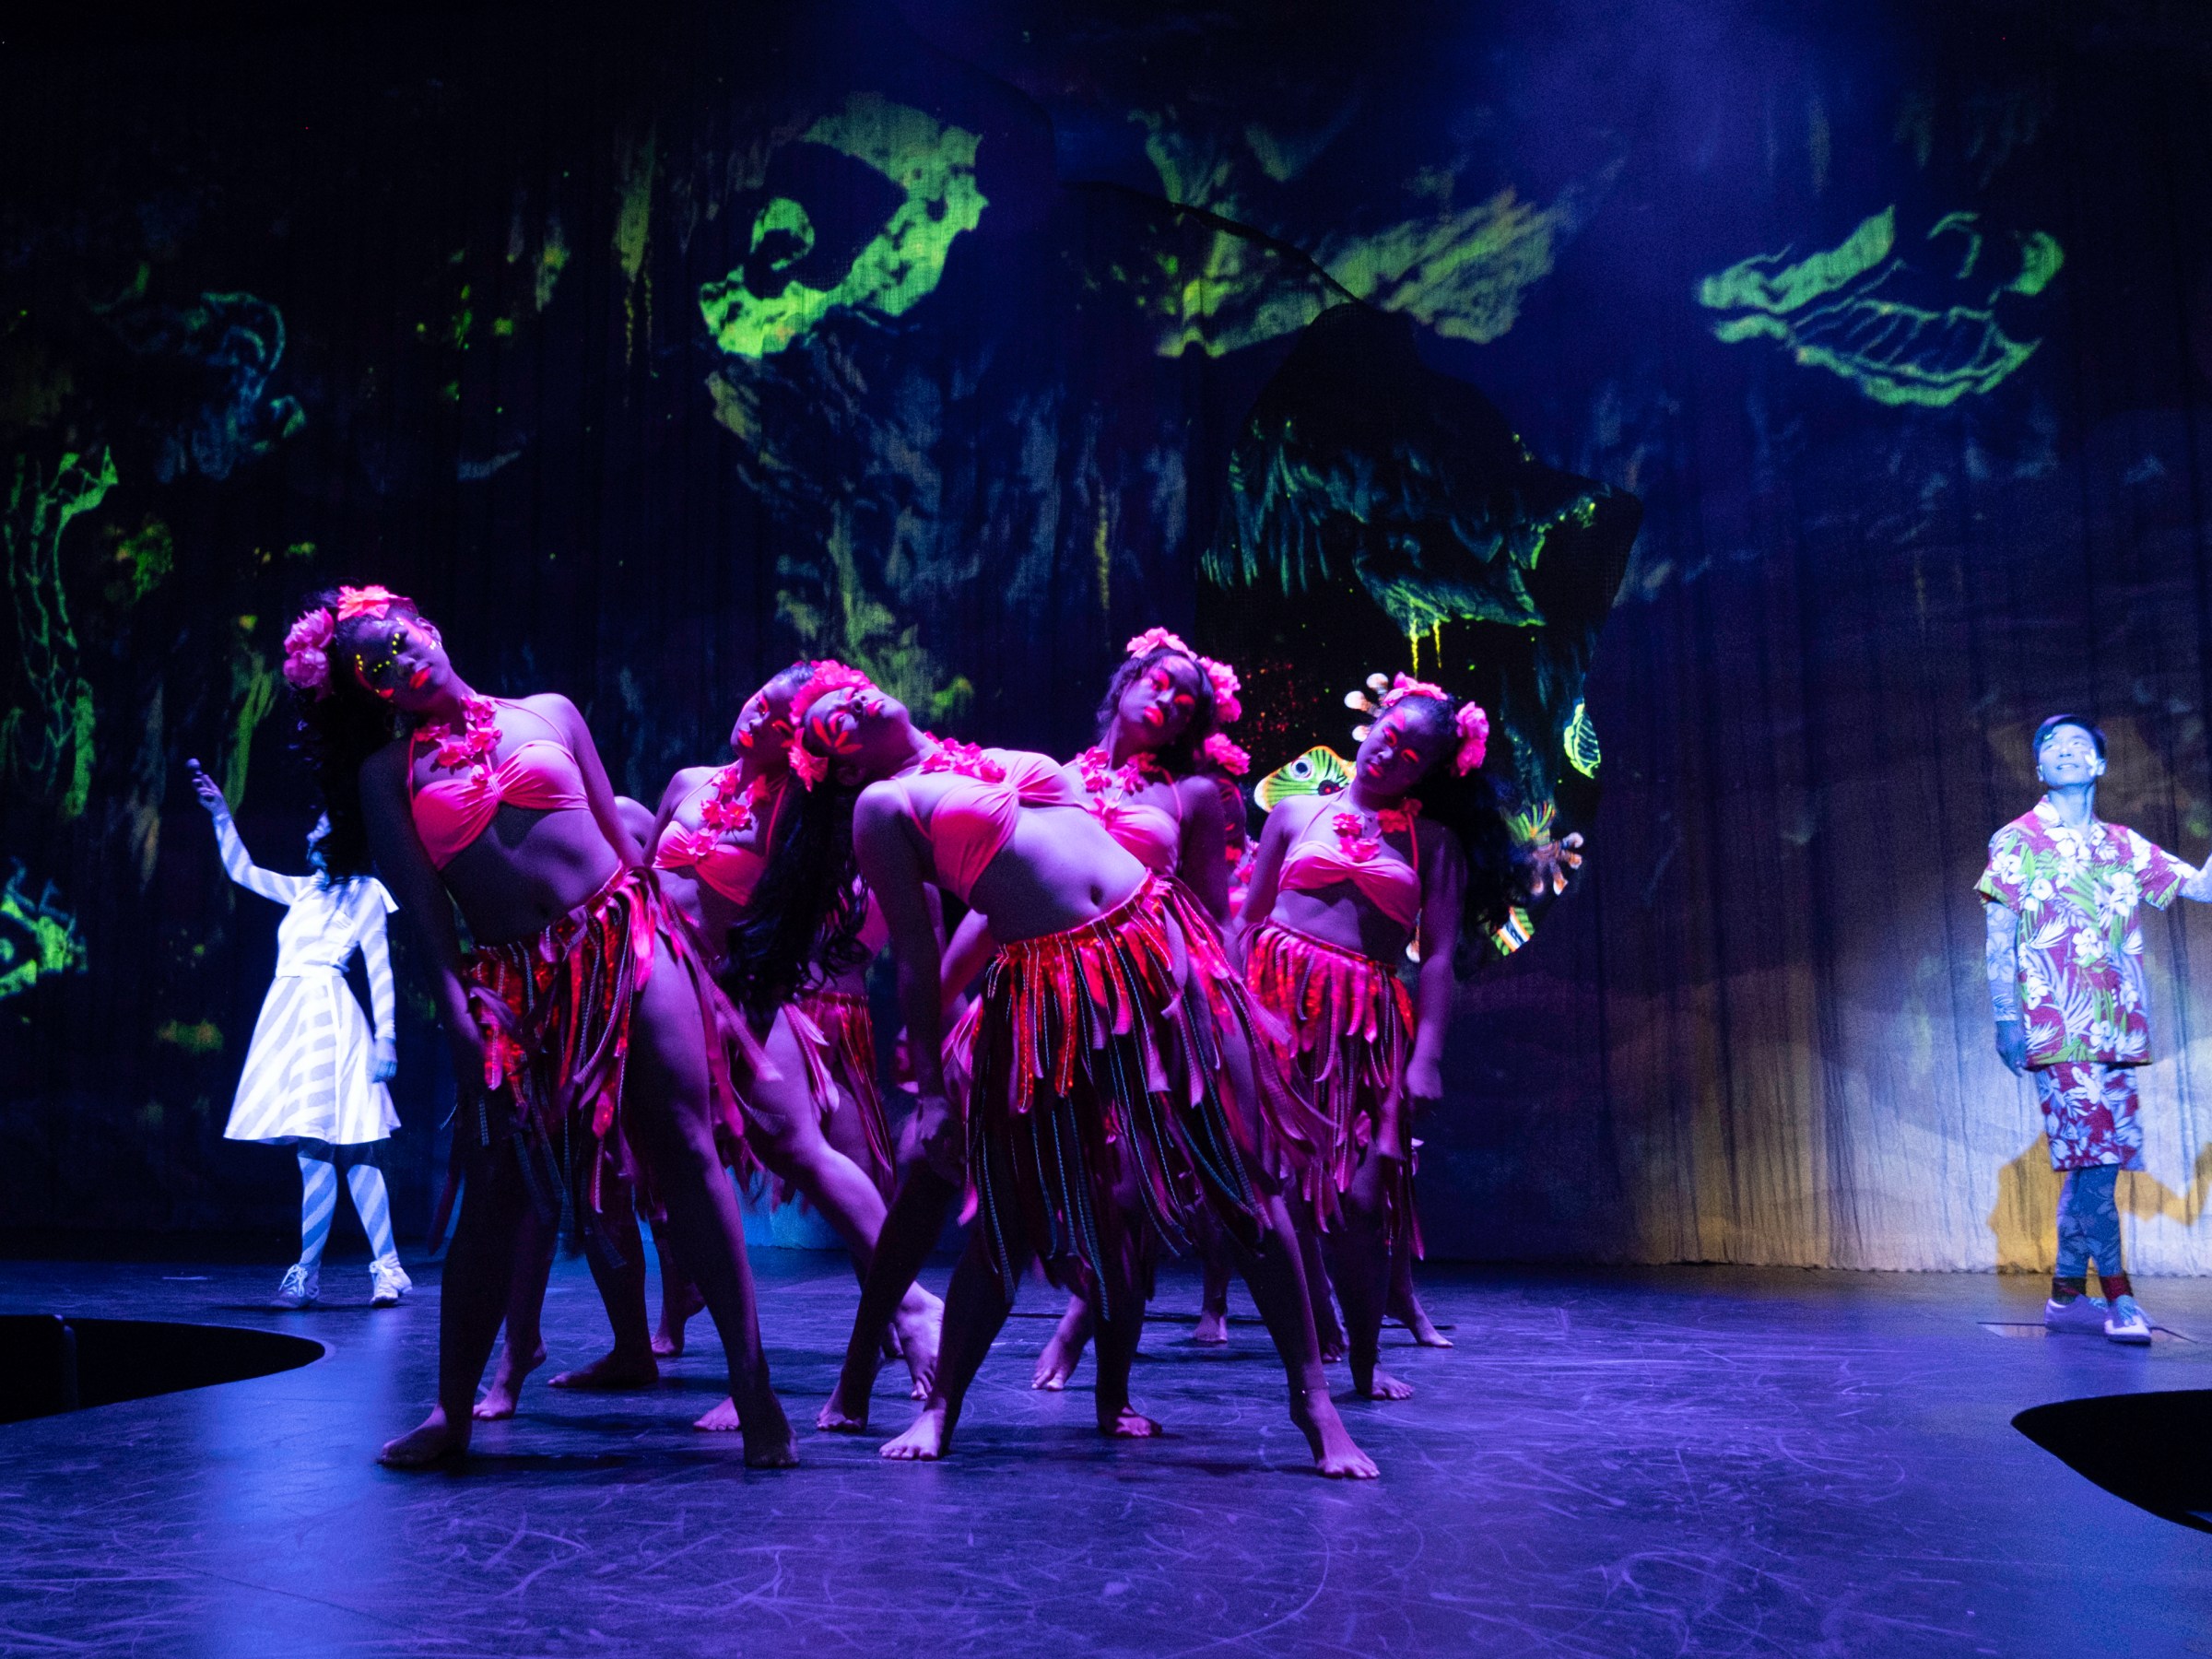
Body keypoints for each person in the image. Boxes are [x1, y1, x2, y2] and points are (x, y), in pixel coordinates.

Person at [730, 673, 1374, 1477]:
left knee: (1245, 1181)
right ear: (847, 766)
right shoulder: (883, 807)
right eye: (837, 719)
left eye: (851, 693)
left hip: (1157, 940)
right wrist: (931, 1088)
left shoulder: (975, 757)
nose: (854, 702)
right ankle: (940, 1406)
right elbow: (920, 960)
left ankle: (1313, 1404)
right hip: (1050, 986)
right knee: (1008, 1215)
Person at [282, 583, 794, 1467]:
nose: (398, 662)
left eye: (399, 640)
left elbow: (624, 847)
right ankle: (451, 1414)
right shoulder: (389, 775)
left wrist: (685, 952)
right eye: (375, 667)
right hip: (514, 986)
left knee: (685, 1148)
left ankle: (756, 1396)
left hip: (623, 944)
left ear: (428, 628)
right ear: (372, 694)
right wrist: (459, 1018)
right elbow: (427, 919)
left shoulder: (548, 712)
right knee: (496, 1188)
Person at [937, 629, 1317, 1384]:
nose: (1168, 701)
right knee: (1041, 1186)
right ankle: (956, 1388)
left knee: (1165, 1182)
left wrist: (1229, 1017)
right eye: (1159, 682)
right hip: (1051, 992)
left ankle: (1128, 1375)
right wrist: (946, 996)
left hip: (1152, 995)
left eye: (1186, 702)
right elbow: (996, 899)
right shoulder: (1051, 779)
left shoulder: (1194, 795)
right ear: (1126, 683)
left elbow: (1212, 912)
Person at [1235, 672, 1573, 1400]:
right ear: (1374, 727)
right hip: (1273, 1008)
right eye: (1388, 736)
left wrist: (1428, 1057)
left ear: (1429, 773)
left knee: (1361, 1203)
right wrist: (1223, 1008)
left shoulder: (1434, 845)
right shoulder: (1295, 814)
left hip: (1364, 1023)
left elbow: (1441, 958)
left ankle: (1364, 1359)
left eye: (1411, 755)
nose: (1389, 754)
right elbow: (1250, 918)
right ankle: (1312, 1341)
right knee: (1278, 1189)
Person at [647, 663, 941, 1427]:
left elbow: (799, 922)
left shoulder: (798, 813)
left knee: (807, 1151)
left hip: (745, 997)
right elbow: (643, 887)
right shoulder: (688, 784)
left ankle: (905, 1312)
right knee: (676, 1173)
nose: (756, 718)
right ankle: (698, 1338)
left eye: (779, 721)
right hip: (663, 992)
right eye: (760, 698)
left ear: (801, 744)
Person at [1978, 713, 2212, 1344]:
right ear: (2039, 768)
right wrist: (2007, 1019)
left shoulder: (2123, 844)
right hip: (2056, 1027)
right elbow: (1999, 938)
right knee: (2100, 1165)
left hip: (2118, 1032)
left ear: (2100, 765)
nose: (2067, 750)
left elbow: (2200, 888)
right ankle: (2120, 1298)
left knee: (2093, 1169)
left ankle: (2063, 1296)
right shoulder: (2018, 839)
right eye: (2052, 745)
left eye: (2080, 743)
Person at [190, 759, 407, 1310]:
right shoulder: (306, 891)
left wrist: (386, 1037)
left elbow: (379, 967)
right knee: (322, 1151)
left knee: (352, 1148)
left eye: (321, 826)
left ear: (341, 838)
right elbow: (243, 871)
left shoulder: (363, 892)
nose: (310, 833)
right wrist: (220, 815)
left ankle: (362, 1270)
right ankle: (335, 1271)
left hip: (329, 1017)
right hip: (292, 1016)